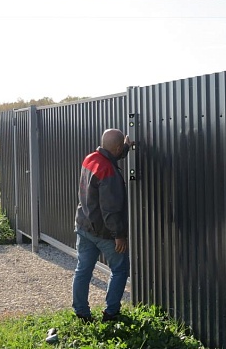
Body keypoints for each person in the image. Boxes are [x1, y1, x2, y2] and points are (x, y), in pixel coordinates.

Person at [72, 128, 133, 322]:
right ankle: (111, 313)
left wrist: (125, 147)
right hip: (104, 232)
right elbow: (110, 209)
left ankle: (81, 313)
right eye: (120, 148)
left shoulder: (91, 159)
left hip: (84, 225)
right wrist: (119, 235)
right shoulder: (109, 172)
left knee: (83, 270)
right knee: (120, 269)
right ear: (116, 148)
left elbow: (112, 155)